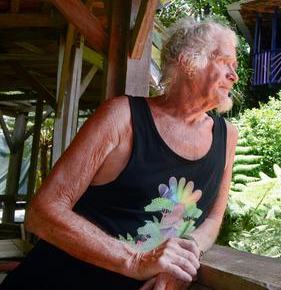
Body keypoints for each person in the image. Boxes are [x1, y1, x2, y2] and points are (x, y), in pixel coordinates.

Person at [1, 19, 239, 290]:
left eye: (234, 66)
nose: (234, 75)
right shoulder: (121, 117)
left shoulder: (227, 136)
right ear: (188, 62)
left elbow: (212, 219)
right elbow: (41, 212)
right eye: (224, 61)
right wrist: (136, 261)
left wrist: (183, 257)